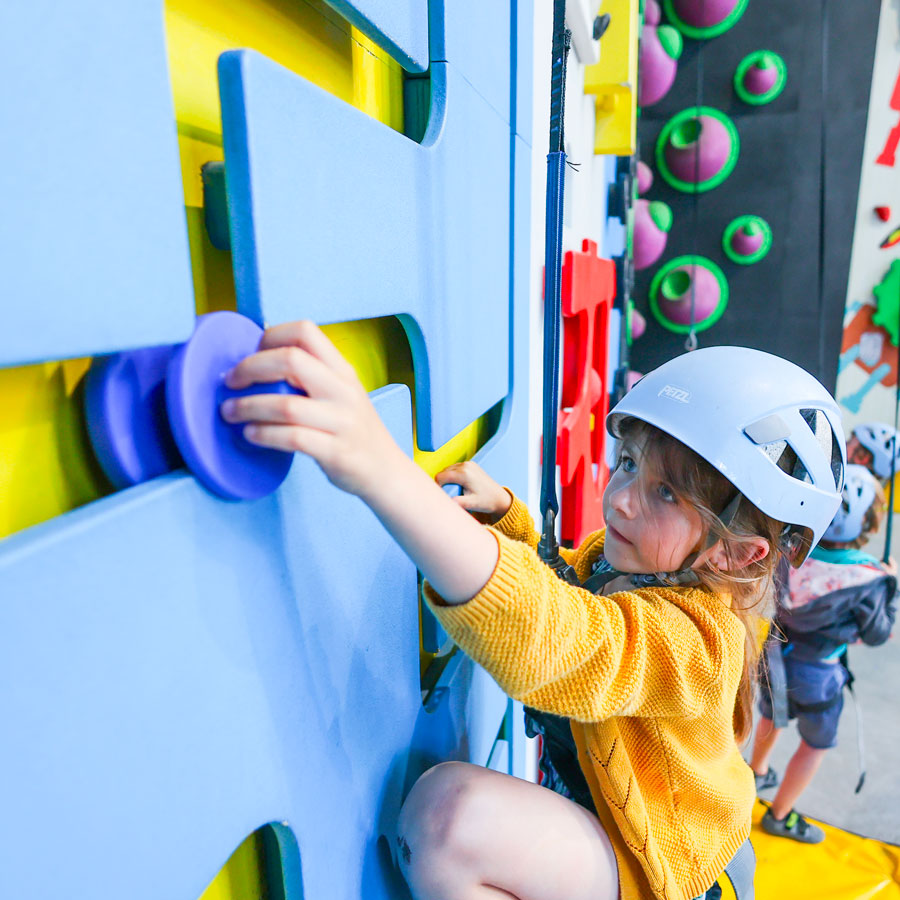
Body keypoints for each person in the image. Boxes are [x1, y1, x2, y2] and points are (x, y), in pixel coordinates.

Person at [220, 322, 845, 900]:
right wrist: (508, 523)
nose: (622, 500)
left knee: (449, 819)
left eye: (666, 492)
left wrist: (384, 475)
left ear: (737, 553)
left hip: (675, 873)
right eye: (628, 464)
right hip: (629, 831)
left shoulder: (698, 642)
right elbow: (570, 581)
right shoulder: (632, 562)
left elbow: (568, 638)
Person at [750, 464, 897, 843]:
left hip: (775, 658)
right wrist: (890, 588)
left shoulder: (789, 551)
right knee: (814, 746)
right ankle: (780, 815)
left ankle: (757, 769)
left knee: (771, 715)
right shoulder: (871, 579)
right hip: (820, 676)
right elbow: (877, 633)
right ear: (867, 526)